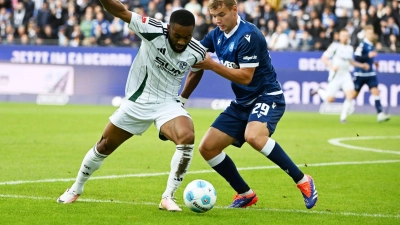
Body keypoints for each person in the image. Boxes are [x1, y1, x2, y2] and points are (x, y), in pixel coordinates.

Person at [56, 5, 206, 212]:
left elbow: (198, 70)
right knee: (104, 146)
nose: (181, 41)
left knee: (187, 137)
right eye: (177, 35)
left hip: (168, 104)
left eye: (187, 37)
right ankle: (76, 188)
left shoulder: (197, 50)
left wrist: (182, 99)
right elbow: (120, 11)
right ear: (169, 28)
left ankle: (168, 196)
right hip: (138, 101)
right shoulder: (153, 29)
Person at [183, 0, 318, 209]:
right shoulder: (216, 34)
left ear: (234, 9)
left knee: (254, 136)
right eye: (214, 16)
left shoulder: (249, 35)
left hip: (267, 96)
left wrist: (212, 65)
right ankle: (245, 194)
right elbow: (194, 53)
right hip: (243, 102)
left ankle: (303, 180)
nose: (217, 20)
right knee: (208, 148)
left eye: (222, 14)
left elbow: (246, 77)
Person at [313, 29, 370, 123]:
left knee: (350, 95)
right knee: (330, 99)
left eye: (346, 36)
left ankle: (343, 118)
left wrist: (362, 65)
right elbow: (324, 58)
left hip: (346, 75)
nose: (345, 38)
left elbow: (350, 61)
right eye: (343, 36)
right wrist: (331, 67)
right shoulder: (335, 46)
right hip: (336, 75)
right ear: (339, 37)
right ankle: (319, 90)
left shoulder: (350, 48)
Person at [353, 25, 390, 122]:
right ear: (365, 34)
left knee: (376, 91)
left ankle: (380, 114)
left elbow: (368, 58)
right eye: (368, 33)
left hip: (370, 74)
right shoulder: (362, 45)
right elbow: (357, 58)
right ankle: (344, 112)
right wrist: (367, 56)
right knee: (353, 95)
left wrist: (374, 62)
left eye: (371, 33)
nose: (370, 35)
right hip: (361, 74)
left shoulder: (371, 45)